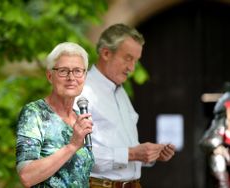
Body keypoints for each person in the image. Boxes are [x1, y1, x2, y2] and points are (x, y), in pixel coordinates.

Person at [75, 23, 176, 188]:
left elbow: (126, 152)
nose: (132, 68)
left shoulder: (120, 92)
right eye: (128, 58)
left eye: (136, 61)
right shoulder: (82, 92)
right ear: (106, 53)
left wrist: (150, 155)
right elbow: (78, 155)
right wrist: (133, 154)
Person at [16, 42, 94, 188]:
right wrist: (72, 146)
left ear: (85, 76)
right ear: (50, 76)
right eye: (63, 71)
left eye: (78, 71)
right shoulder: (34, 113)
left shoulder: (80, 117)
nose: (71, 77)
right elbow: (26, 176)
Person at [200, 91, 230, 188]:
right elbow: (204, 142)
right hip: (226, 164)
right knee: (217, 158)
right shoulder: (220, 127)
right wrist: (218, 148)